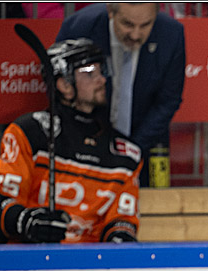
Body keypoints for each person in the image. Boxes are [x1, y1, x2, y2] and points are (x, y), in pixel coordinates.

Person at [0, 39, 141, 244]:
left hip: (93, 267)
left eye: (100, 71)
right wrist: (28, 221)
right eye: (90, 73)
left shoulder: (126, 154)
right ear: (64, 85)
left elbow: (121, 220)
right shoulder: (29, 133)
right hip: (29, 261)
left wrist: (120, 237)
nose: (101, 80)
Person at [56, 2, 185, 157]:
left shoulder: (172, 34)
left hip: (145, 146)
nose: (135, 34)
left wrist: (133, 150)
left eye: (145, 25)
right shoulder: (79, 28)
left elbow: (168, 101)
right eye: (127, 24)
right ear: (111, 11)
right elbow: (61, 92)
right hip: (84, 146)